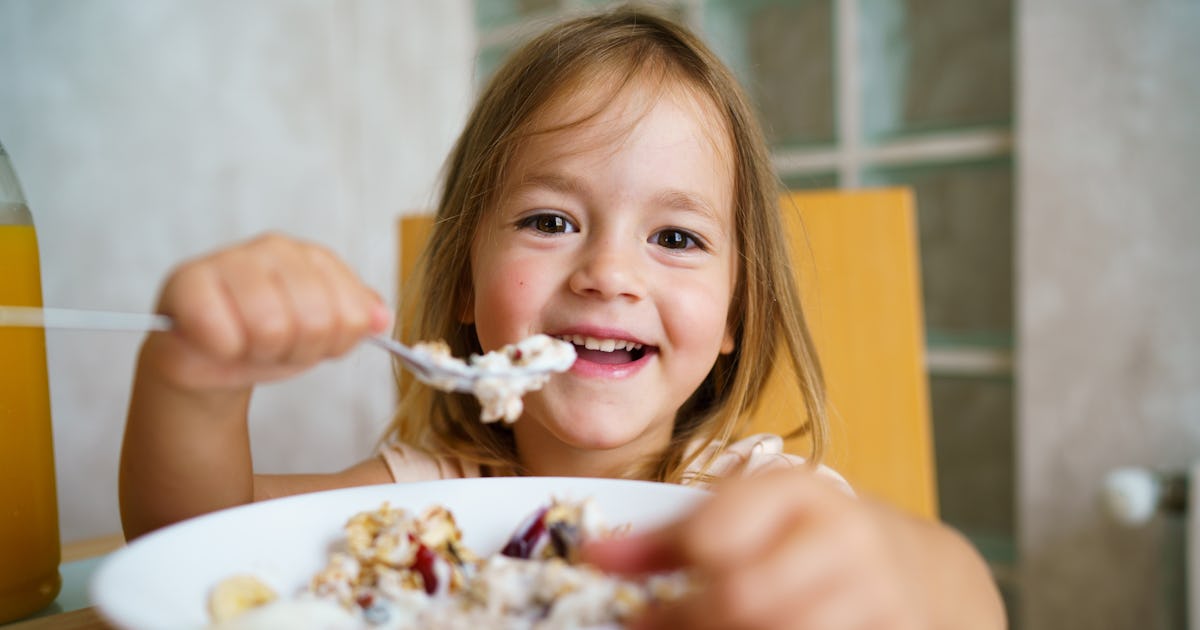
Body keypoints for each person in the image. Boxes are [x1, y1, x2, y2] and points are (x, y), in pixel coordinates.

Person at [119, 5, 1005, 628]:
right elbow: (197, 541)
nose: (609, 273)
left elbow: (963, 604)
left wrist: (932, 580)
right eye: (550, 222)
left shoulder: (753, 500)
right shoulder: (434, 505)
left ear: (737, 312)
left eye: (677, 237)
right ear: (464, 285)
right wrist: (195, 384)